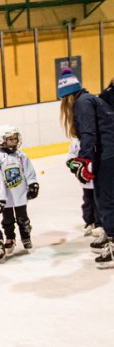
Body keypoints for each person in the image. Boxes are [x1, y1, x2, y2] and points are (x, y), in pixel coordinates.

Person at [59, 68, 114, 268]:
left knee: (105, 200)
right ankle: (110, 236)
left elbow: (89, 133)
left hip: (108, 155)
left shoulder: (82, 103)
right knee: (104, 198)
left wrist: (82, 160)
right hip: (108, 154)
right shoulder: (91, 99)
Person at [0, 125, 39, 254]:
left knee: (22, 218)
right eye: (10, 139)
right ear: (1, 140)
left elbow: (29, 172)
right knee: (7, 220)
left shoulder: (21, 156)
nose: (14, 141)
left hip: (20, 194)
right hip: (6, 196)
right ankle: (10, 238)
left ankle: (25, 237)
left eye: (15, 138)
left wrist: (33, 184)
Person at [67, 138, 103, 238]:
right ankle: (89, 222)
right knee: (88, 201)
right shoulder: (76, 141)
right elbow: (71, 156)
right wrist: (72, 163)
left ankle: (99, 223)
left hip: (97, 178)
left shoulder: (97, 139)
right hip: (85, 180)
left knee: (98, 201)